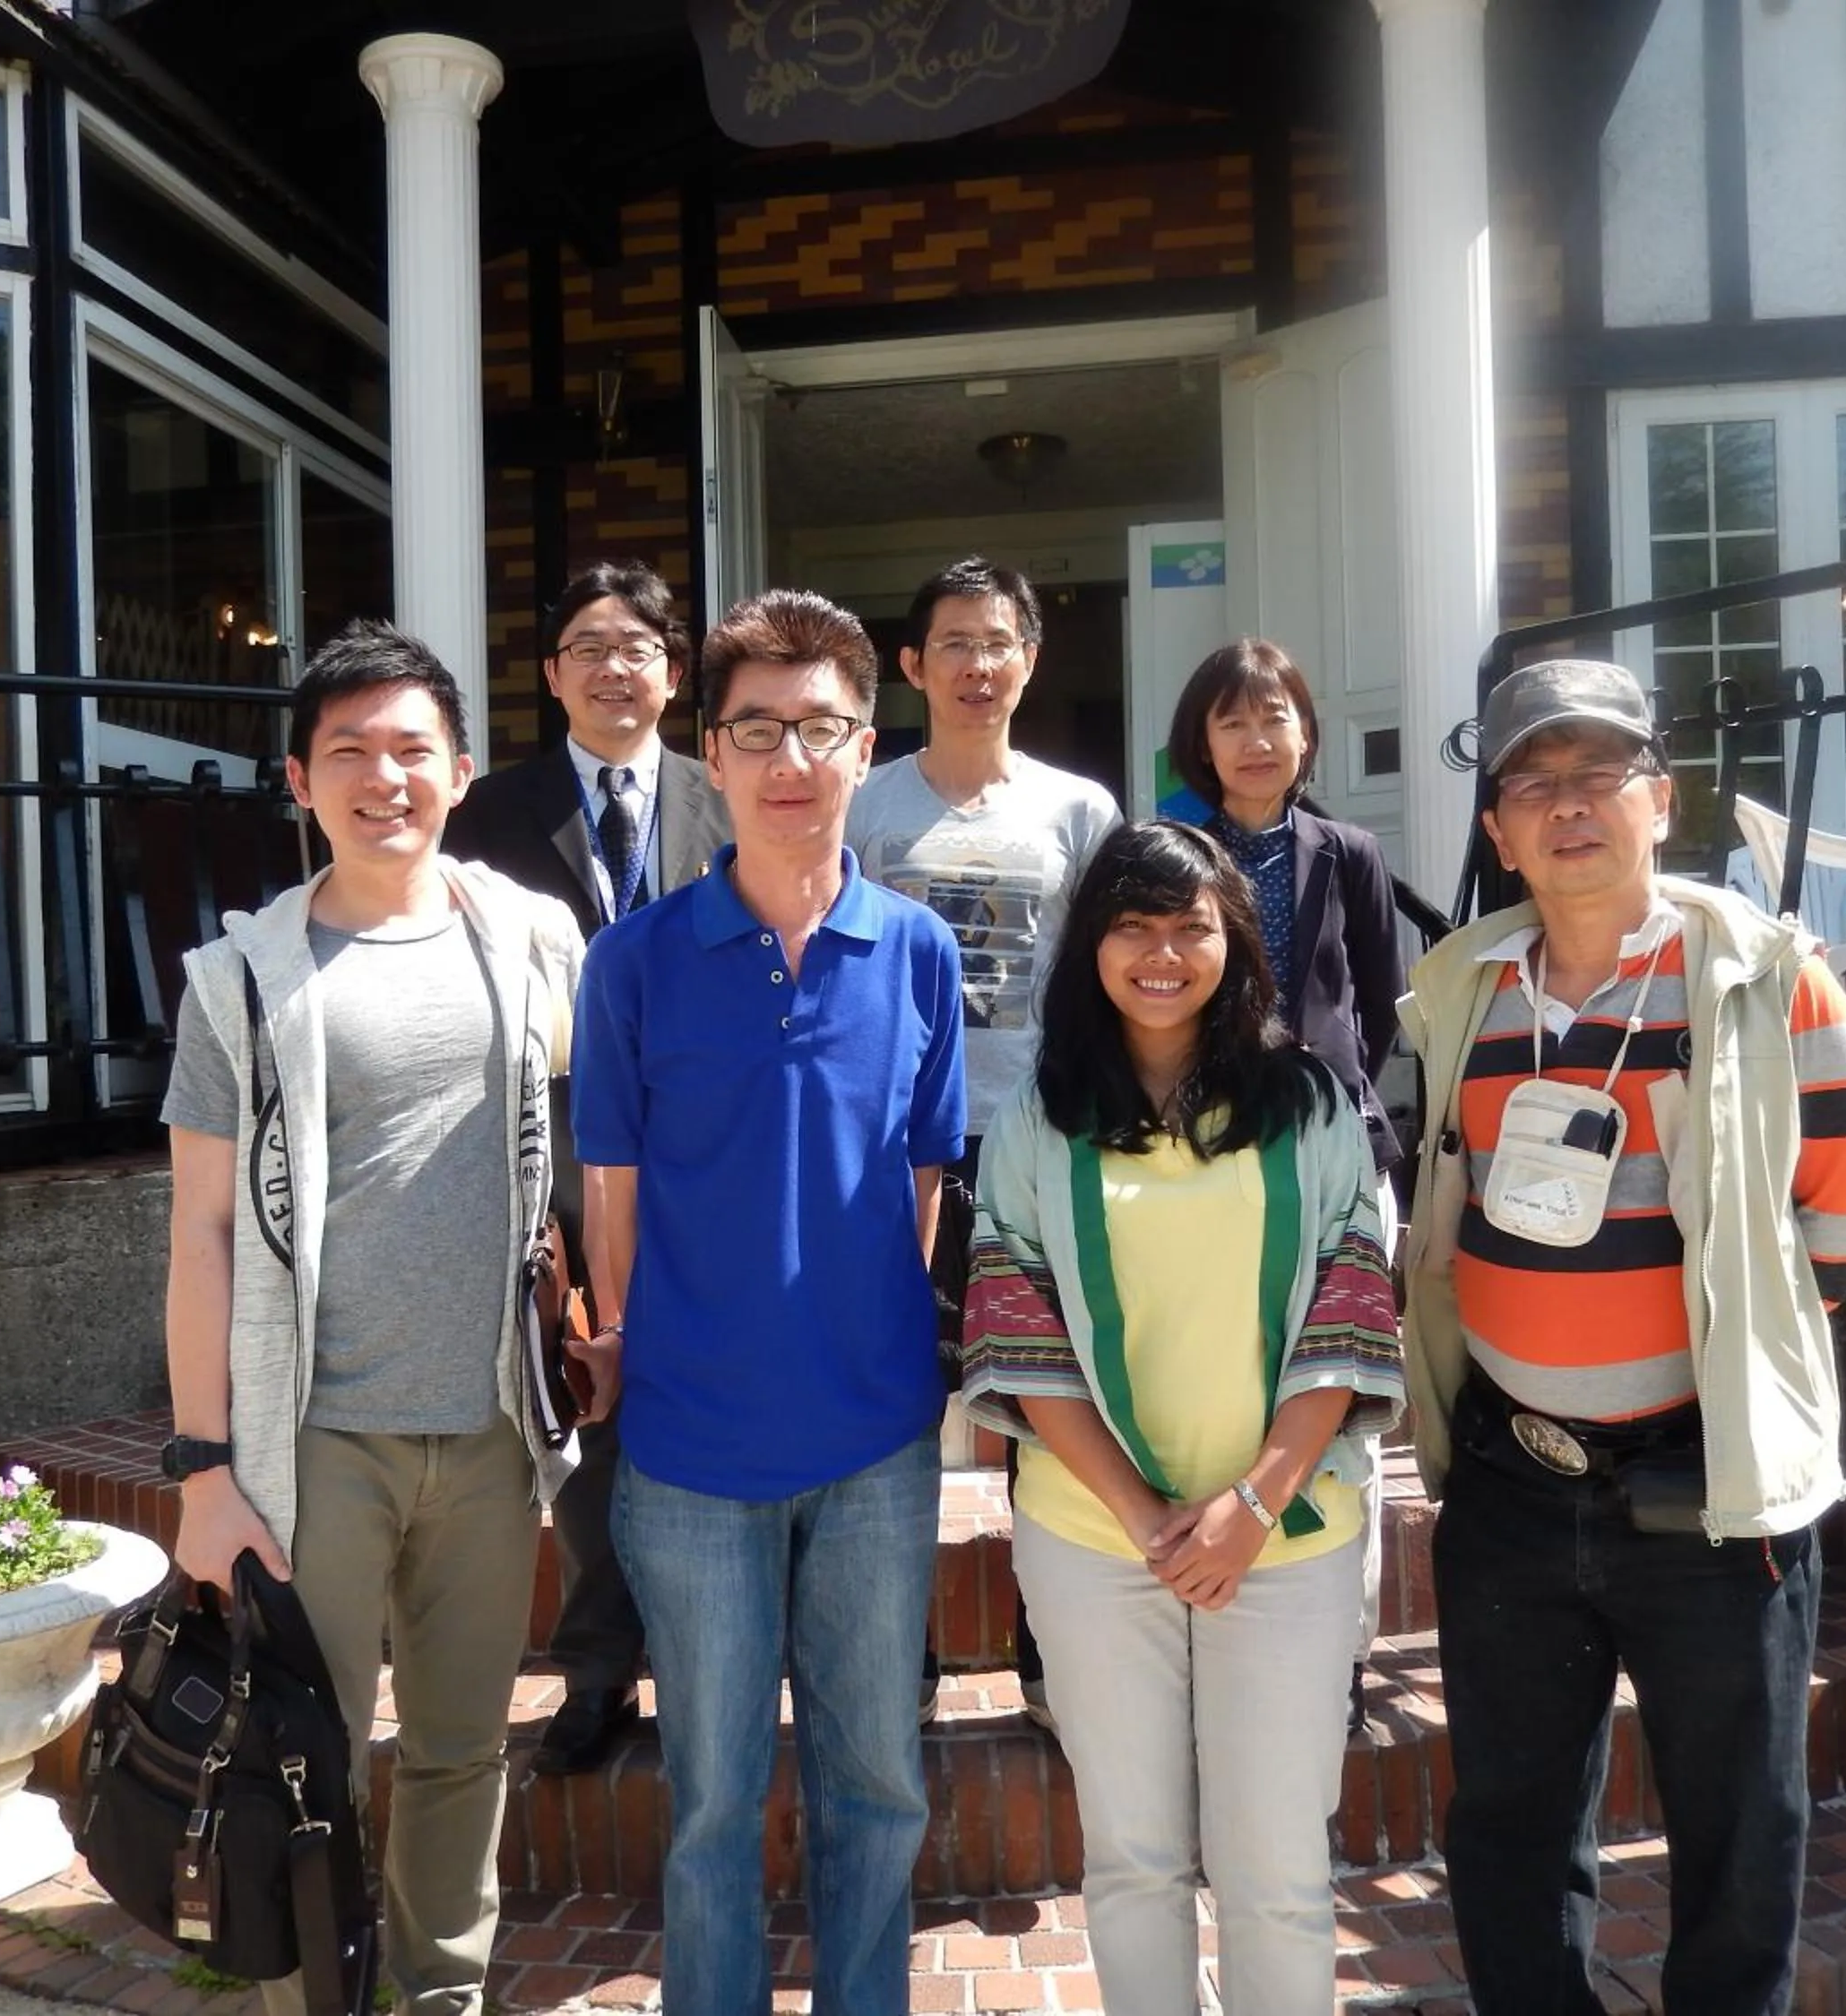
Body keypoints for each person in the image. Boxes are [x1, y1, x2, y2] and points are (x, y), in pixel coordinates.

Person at [1397, 659, 1846, 2014]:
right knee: (1508, 1827)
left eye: (1598, 773)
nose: (1567, 806)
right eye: (1532, 782)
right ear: (1497, 830)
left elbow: (1832, 1229)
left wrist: (1717, 1383)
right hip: (1510, 1482)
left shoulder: (1765, 980)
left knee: (1738, 1836)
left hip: (1710, 1492)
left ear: (1660, 801)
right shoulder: (1457, 991)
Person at [158, 620, 587, 2016]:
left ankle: (439, 1993)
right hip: (312, 1438)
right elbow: (206, 1230)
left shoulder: (535, 939)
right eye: (350, 750)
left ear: (461, 771)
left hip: (489, 1424)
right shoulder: (237, 980)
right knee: (304, 1753)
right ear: (300, 777)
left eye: (413, 748)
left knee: (463, 1748)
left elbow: (607, 1150)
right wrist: (204, 1468)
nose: (384, 775)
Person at [571, 587, 967, 2016]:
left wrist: (877, 1327)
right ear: (711, 749)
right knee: (709, 1803)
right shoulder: (633, 959)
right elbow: (607, 1174)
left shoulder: (919, 951)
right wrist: (621, 1338)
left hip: (873, 1441)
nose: (790, 759)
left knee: (877, 1788)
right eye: (758, 730)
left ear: (868, 744)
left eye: (821, 728)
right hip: (686, 1449)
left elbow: (924, 1179)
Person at [961, 819, 1402, 2016]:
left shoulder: (1308, 1104)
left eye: (1190, 923)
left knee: (1278, 1871)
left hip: (1290, 1538)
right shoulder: (1038, 1117)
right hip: (1100, 1543)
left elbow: (1352, 1303)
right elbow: (1018, 1332)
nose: (1164, 952)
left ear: (1234, 938)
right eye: (1133, 925)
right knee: (1135, 1859)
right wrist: (1151, 1515)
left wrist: (1254, 1499)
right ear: (1089, 947)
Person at [444, 560, 729, 1777]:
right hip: (556, 1156)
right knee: (589, 1415)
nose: (618, 668)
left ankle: (720, 1659)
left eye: (641, 647)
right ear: (552, 672)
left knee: (714, 1396)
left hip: (714, 1151)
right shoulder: (488, 817)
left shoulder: (727, 798)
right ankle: (601, 1670)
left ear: (675, 672)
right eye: (590, 646)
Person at [847, 555, 1120, 1727]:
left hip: (1030, 1146)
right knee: (888, 1411)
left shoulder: (1079, 810)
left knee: (1048, 1418)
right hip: (882, 1154)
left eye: (996, 639)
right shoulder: (864, 804)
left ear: (1028, 658)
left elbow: (1109, 983)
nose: (975, 662)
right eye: (951, 640)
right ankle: (887, 1666)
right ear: (912, 666)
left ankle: (1051, 1662)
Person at [1166, 638, 1406, 1731]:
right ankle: (1211, 1615)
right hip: (1203, 1150)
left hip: (1334, 1143)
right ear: (1200, 740)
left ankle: (1340, 1659)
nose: (1257, 741)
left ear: (1306, 733)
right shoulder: (1170, 849)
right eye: (1233, 721)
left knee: (1338, 1402)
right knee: (1229, 1389)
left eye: (1276, 718)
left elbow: (1376, 997)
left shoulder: (1348, 850)